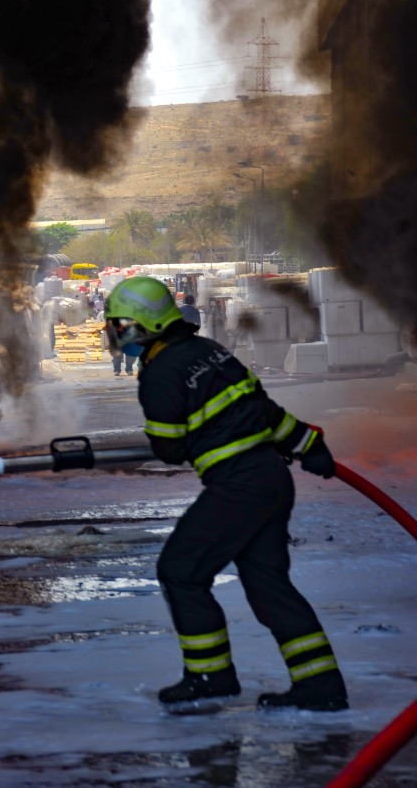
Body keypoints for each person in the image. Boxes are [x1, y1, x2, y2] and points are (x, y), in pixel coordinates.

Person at [103, 276, 348, 712]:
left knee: (181, 571)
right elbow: (265, 410)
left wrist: (169, 433)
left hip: (239, 486)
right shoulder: (210, 352)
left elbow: (170, 448)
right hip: (272, 478)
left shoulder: (159, 372)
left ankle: (210, 677)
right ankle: (320, 686)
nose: (118, 334)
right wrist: (310, 445)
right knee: (269, 585)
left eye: (122, 325)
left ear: (147, 324)